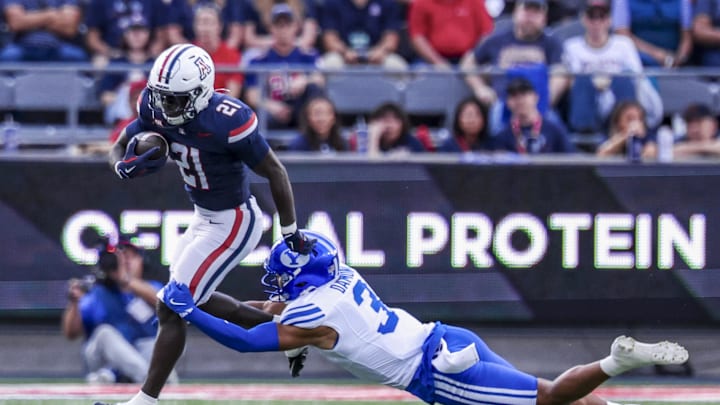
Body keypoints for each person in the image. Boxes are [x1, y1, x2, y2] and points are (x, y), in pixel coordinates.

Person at [160, 229, 690, 405]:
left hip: (437, 373)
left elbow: (248, 341)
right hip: (446, 337)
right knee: (543, 392)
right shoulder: (337, 284)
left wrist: (187, 311)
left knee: (547, 400)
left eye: (280, 274)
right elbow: (262, 313)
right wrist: (202, 294)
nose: (274, 284)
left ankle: (616, 362)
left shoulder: (314, 315)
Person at [95, 43, 315, 405]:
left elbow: (275, 170)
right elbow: (118, 145)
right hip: (203, 216)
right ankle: (288, 332)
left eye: (175, 100)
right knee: (200, 299)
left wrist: (290, 230)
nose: (165, 107)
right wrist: (122, 167)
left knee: (172, 304)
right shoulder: (156, 105)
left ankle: (144, 401)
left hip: (234, 222)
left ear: (201, 93)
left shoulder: (227, 119)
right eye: (161, 97)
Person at [62, 237, 177, 385]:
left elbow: (167, 307)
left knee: (160, 341)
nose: (125, 262)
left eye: (130, 257)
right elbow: (71, 333)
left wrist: (126, 280)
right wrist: (74, 302)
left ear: (142, 261)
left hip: (139, 356)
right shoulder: (97, 292)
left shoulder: (151, 287)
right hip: (102, 360)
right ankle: (152, 382)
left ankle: (112, 376)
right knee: (104, 333)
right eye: (120, 258)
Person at [460, 0, 566, 134]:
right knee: (496, 122)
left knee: (555, 126)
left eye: (536, 13)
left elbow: (561, 72)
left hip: (538, 104)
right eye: (527, 11)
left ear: (544, 18)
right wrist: (480, 88)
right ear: (516, 13)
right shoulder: (496, 40)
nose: (530, 17)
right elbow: (468, 62)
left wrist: (548, 97)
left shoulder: (552, 43)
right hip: (503, 102)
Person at [562, 0, 663, 133]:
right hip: (588, 98)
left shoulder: (623, 44)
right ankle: (585, 136)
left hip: (619, 95)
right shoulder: (572, 46)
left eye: (602, 17)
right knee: (583, 80)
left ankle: (625, 129)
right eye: (592, 17)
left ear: (609, 20)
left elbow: (637, 75)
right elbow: (571, 81)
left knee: (624, 79)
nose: (597, 23)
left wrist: (609, 81)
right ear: (584, 20)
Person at [244, 4, 325, 130]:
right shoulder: (259, 59)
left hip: (301, 108)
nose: (283, 30)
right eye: (279, 25)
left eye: (287, 25)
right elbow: (252, 95)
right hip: (274, 109)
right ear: (271, 28)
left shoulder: (308, 55)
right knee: (261, 117)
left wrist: (305, 80)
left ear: (296, 27)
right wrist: (272, 106)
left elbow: (320, 80)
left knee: (313, 91)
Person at [493, 78, 574, 154]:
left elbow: (571, 159)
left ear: (535, 97)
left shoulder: (555, 131)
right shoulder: (502, 137)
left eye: (524, 94)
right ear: (507, 102)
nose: (520, 100)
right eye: (514, 95)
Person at [320, 0, 408, 69]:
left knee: (396, 66)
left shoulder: (387, 2)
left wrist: (380, 51)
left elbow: (391, 39)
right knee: (330, 64)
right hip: (343, 54)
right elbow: (330, 39)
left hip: (378, 54)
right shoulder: (333, 2)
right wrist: (344, 52)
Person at [407, 0, 494, 68]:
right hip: (431, 60)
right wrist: (438, 62)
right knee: (419, 71)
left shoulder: (474, 1)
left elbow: (486, 33)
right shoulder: (422, 3)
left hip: (470, 58)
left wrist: (473, 56)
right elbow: (417, 37)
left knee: (489, 69)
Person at [612, 0, 692, 67]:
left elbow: (687, 37)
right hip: (639, 60)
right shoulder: (623, 1)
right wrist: (658, 55)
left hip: (674, 61)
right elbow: (622, 35)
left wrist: (679, 59)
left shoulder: (682, 1)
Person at [0, 0, 87, 62]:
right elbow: (16, 23)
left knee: (78, 56)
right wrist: (50, 15)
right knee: (7, 57)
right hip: (22, 46)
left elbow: (69, 28)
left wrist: (29, 20)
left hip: (58, 47)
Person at [193, 4, 244, 99]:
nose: (205, 29)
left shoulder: (232, 55)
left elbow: (232, 95)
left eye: (209, 23)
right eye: (201, 23)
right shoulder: (187, 54)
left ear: (219, 26)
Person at [358, 102, 427, 155]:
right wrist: (373, 138)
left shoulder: (412, 143)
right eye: (385, 120)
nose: (389, 126)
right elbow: (368, 169)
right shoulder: (364, 141)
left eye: (394, 121)